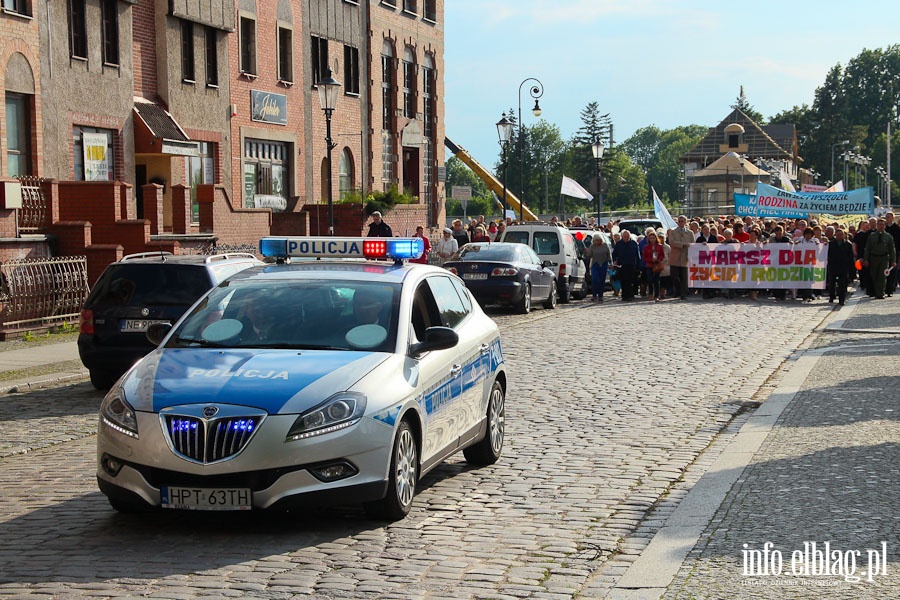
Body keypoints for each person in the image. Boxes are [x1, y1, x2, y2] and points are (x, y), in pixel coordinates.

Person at [863, 218, 898, 299]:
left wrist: (893, 261)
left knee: (882, 276)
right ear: (877, 225)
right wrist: (866, 259)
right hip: (874, 257)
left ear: (885, 226)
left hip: (884, 258)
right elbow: (867, 248)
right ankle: (876, 291)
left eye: (883, 225)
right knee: (874, 275)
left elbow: (892, 249)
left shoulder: (888, 237)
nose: (881, 226)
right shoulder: (871, 236)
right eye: (879, 224)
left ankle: (880, 293)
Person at [827, 228, 854, 306]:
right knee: (832, 283)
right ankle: (832, 297)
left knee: (842, 284)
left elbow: (850, 258)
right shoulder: (831, 244)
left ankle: (841, 300)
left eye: (841, 234)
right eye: (838, 235)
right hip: (833, 266)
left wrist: (851, 270)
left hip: (843, 267)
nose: (839, 236)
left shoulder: (848, 244)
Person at [668, 215, 693, 300]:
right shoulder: (673, 232)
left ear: (685, 222)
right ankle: (677, 290)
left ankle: (683, 293)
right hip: (675, 257)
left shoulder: (690, 233)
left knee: (684, 277)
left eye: (682, 221)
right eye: (679, 221)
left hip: (685, 257)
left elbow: (692, 244)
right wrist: (683, 244)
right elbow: (671, 242)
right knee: (674, 276)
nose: (680, 222)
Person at [612, 229, 640, 301]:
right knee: (623, 281)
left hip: (631, 264)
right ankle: (624, 296)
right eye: (624, 236)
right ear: (622, 236)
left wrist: (638, 265)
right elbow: (614, 254)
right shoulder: (619, 244)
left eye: (627, 236)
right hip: (622, 265)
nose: (626, 238)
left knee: (630, 280)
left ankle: (630, 295)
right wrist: (615, 261)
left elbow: (637, 255)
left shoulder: (634, 243)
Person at [583, 234, 611, 301]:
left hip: (604, 263)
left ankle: (600, 295)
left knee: (602, 280)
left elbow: (609, 255)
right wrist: (587, 251)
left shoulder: (605, 245)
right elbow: (589, 255)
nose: (597, 242)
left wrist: (610, 263)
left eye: (598, 240)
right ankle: (594, 295)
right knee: (595, 279)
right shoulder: (592, 246)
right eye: (595, 240)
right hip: (595, 264)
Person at [642, 230, 665, 302]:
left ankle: (656, 296)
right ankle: (651, 294)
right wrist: (651, 260)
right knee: (650, 280)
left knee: (656, 280)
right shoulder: (646, 247)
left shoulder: (659, 246)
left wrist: (658, 259)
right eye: (651, 238)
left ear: (656, 238)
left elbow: (662, 255)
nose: (652, 239)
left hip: (657, 265)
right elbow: (644, 257)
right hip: (649, 265)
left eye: (653, 238)